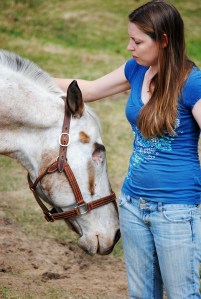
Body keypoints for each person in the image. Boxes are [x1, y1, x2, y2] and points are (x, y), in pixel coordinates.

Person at [55, 1, 201, 298]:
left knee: (181, 295)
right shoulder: (137, 69)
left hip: (176, 210)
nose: (129, 47)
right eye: (129, 39)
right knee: (141, 294)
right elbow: (90, 89)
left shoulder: (192, 83)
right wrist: (24, 81)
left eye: (137, 41)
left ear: (163, 40)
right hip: (133, 204)